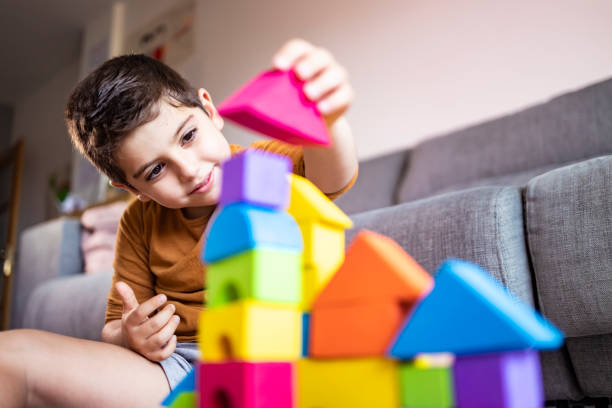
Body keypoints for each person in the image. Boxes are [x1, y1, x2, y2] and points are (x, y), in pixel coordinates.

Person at [0, 38, 358, 407]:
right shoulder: (139, 221)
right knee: (9, 357)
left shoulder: (261, 165)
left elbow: (332, 175)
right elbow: (113, 329)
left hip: (275, 353)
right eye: (156, 170)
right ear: (131, 187)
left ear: (209, 109)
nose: (189, 170)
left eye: (188, 136)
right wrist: (130, 336)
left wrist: (328, 119)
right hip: (179, 365)